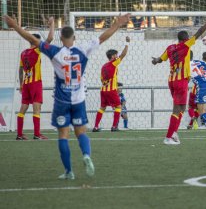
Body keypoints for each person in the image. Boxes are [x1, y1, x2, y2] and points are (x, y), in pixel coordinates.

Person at [4, 13, 130, 179]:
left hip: (62, 102)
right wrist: (117, 24)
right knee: (81, 133)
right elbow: (102, 37)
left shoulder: (56, 52)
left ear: (61, 39)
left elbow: (33, 40)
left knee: (63, 136)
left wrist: (15, 26)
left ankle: (69, 171)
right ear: (74, 37)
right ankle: (86, 155)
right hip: (78, 101)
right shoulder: (83, 50)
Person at [152, 10, 206, 145]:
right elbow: (199, 33)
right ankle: (168, 137)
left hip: (172, 81)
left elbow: (160, 59)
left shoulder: (170, 48)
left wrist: (154, 60)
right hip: (181, 81)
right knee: (177, 109)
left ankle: (174, 133)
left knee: (182, 108)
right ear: (185, 39)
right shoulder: (185, 45)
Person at [16, 15, 55, 140]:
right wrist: (52, 24)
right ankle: (37, 134)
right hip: (35, 83)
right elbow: (50, 38)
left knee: (23, 107)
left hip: (26, 84)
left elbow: (21, 70)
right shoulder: (37, 50)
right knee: (36, 108)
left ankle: (19, 134)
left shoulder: (23, 53)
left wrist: (21, 84)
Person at [93, 36, 130, 132]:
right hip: (111, 90)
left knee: (102, 108)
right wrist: (127, 43)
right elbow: (123, 54)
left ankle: (96, 127)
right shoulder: (113, 63)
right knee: (118, 106)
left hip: (103, 90)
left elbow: (102, 79)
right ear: (112, 56)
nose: (117, 56)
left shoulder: (103, 66)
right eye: (116, 55)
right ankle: (114, 127)